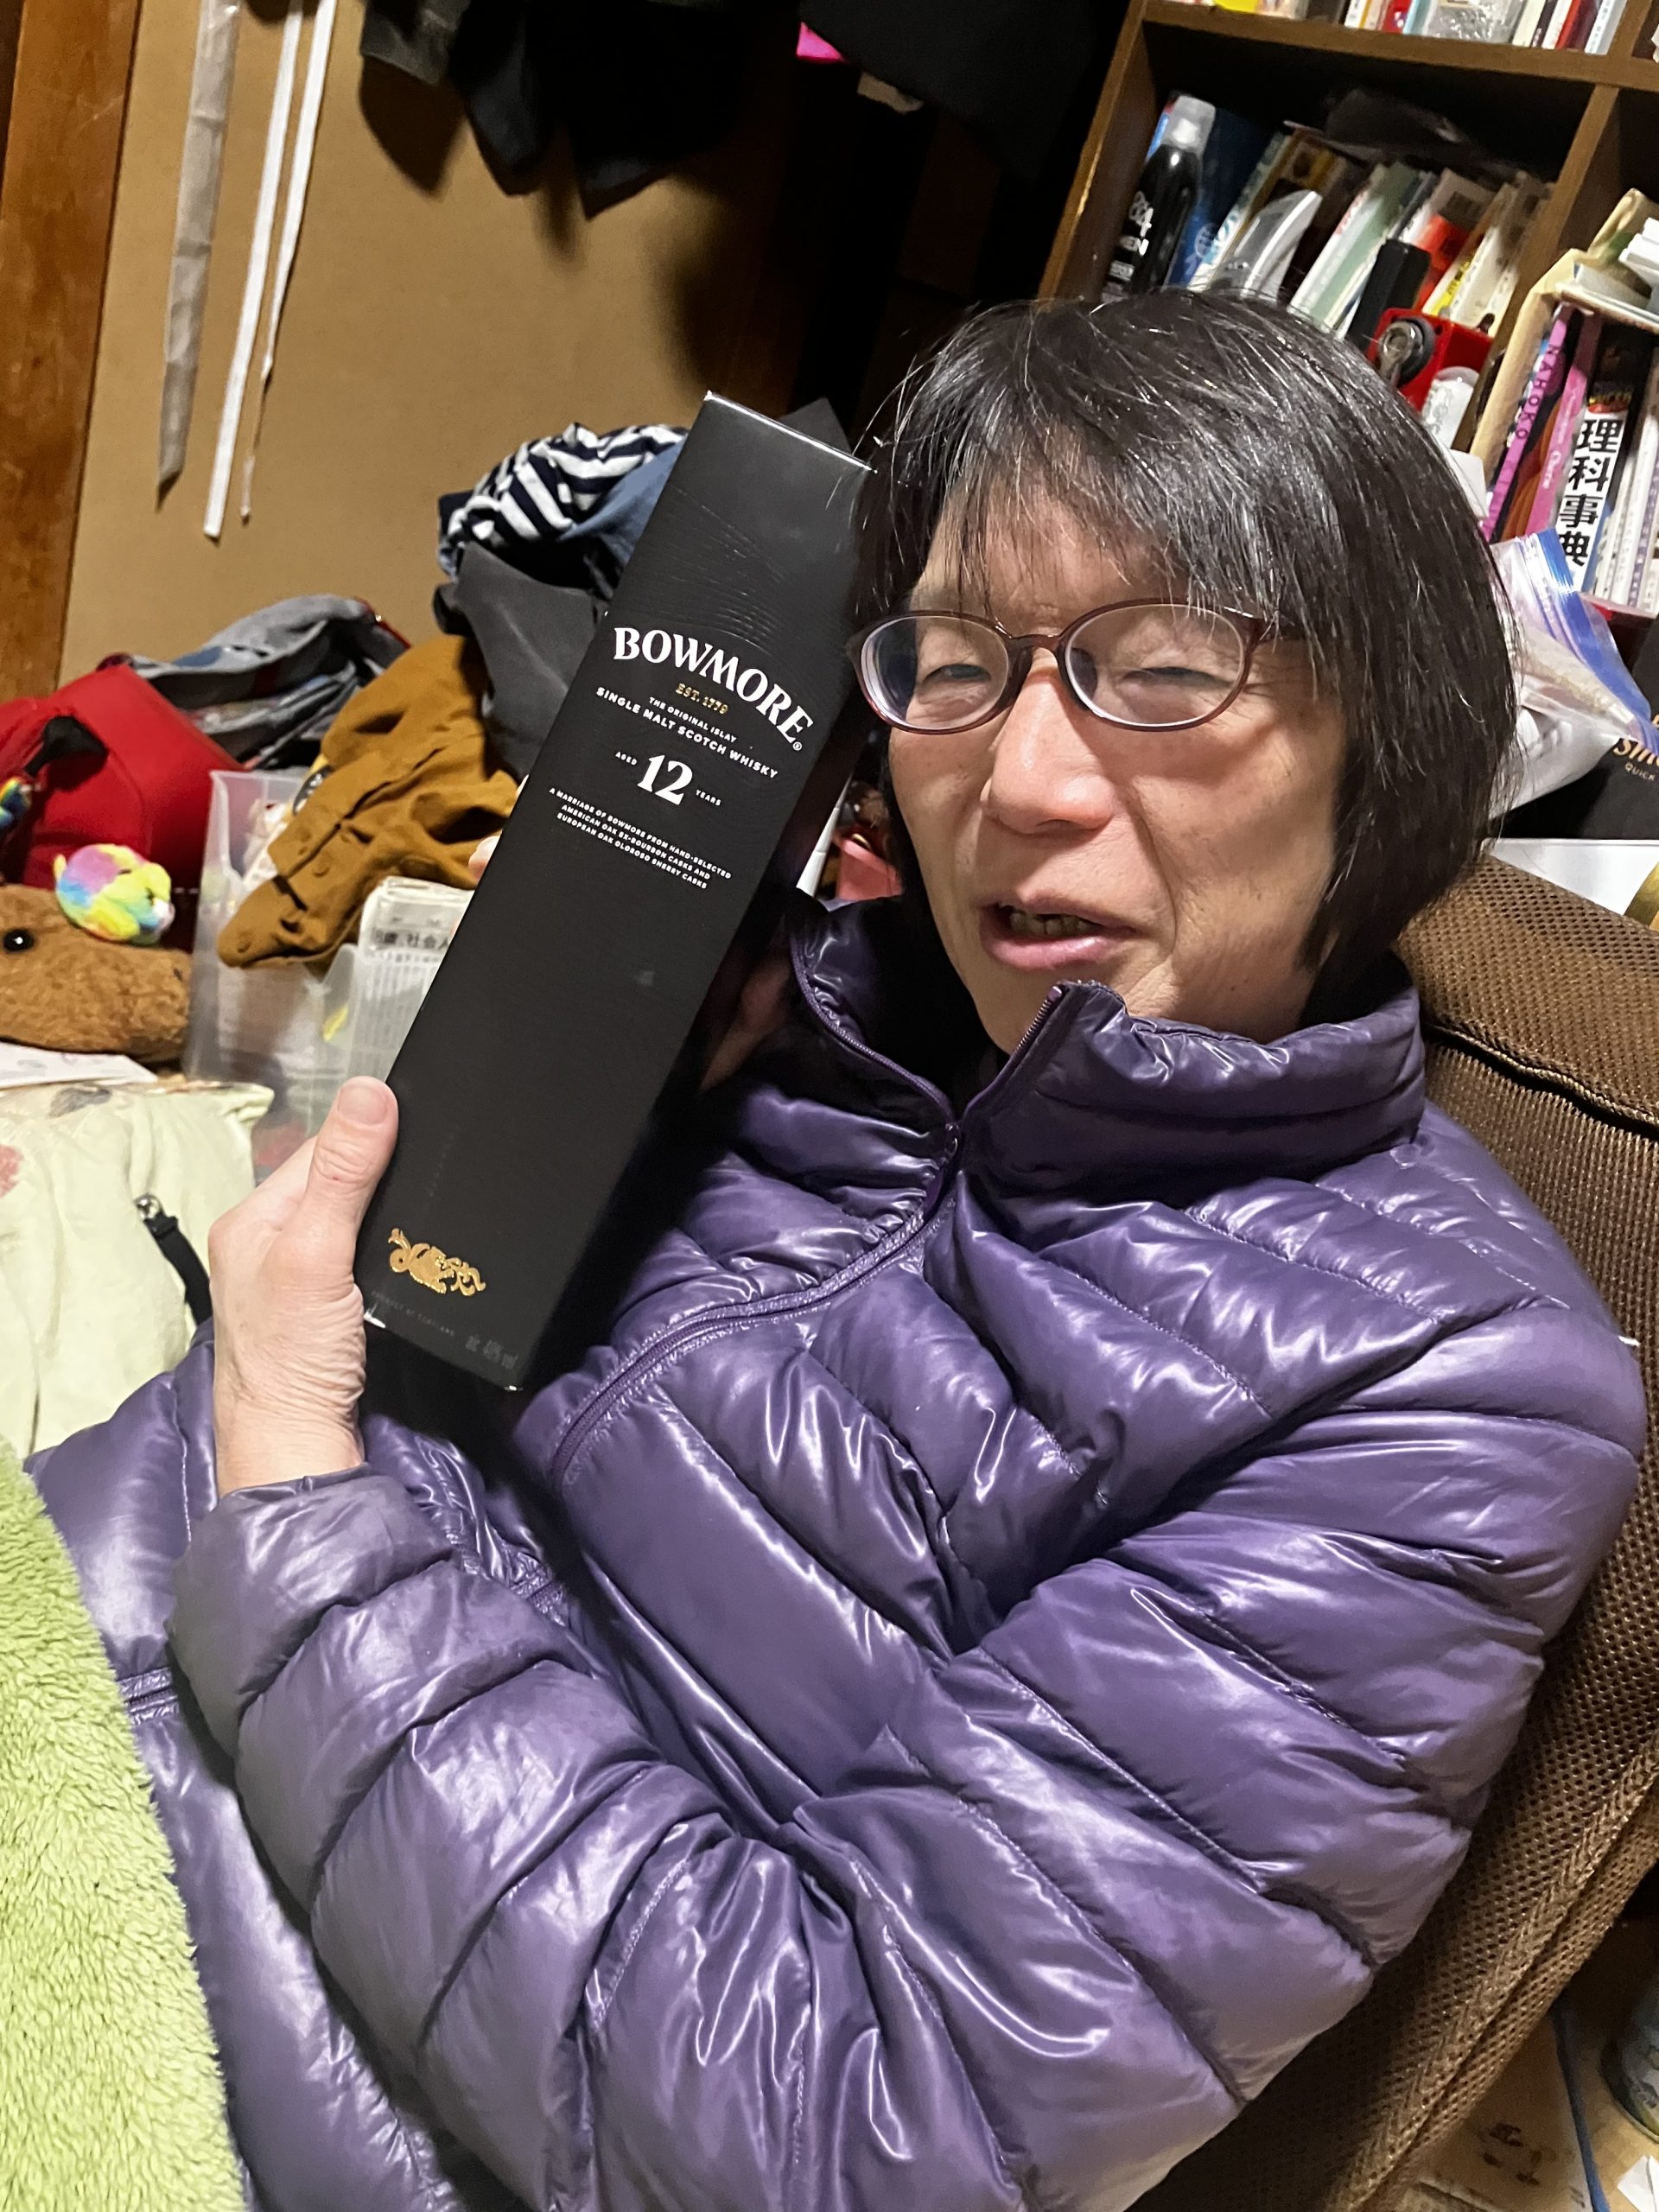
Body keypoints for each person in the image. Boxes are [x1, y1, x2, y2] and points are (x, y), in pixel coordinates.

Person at [36, 294, 1643, 2212]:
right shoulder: (800, 1010)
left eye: (1158, 669)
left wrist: (290, 1479)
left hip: (242, 2041)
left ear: (1390, 725)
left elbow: (838, 2131)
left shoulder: (1443, 1386)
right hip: (83, 1627)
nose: (1021, 784)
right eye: (954, 666)